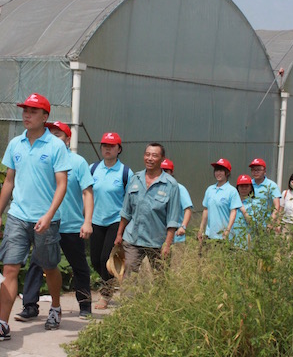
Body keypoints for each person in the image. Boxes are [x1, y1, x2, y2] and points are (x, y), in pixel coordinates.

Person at [0, 93, 71, 341]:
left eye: (33, 111)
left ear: (45, 117)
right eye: (24, 111)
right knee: (10, 268)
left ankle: (55, 306)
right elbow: (9, 180)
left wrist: (49, 215)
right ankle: (2, 324)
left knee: (49, 267)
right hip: (18, 216)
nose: (26, 115)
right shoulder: (15, 144)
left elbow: (61, 184)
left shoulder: (55, 146)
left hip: (46, 219)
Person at [16, 121, 94, 321]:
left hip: (70, 225)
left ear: (68, 139)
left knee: (78, 265)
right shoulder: (43, 158)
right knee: (37, 263)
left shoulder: (78, 163)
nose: (53, 138)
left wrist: (87, 221)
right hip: (44, 223)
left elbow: (87, 192)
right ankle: (30, 306)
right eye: (51, 134)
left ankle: (84, 304)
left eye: (58, 135)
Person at [114, 143, 181, 274]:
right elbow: (126, 211)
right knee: (129, 274)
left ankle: (158, 295)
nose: (150, 158)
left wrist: (167, 244)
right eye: (147, 154)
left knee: (161, 279)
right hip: (133, 239)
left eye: (154, 155)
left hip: (157, 242)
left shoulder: (170, 185)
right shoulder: (135, 179)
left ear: (162, 159)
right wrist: (119, 234)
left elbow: (172, 219)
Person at [89, 132, 132, 309]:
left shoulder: (126, 173)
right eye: (105, 145)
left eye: (112, 146)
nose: (107, 148)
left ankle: (105, 295)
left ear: (119, 149)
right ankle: (115, 280)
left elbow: (130, 202)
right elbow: (86, 194)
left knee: (105, 259)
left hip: (115, 220)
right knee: (94, 260)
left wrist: (124, 229)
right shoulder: (92, 168)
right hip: (95, 220)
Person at [197, 158, 242, 242]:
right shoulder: (210, 189)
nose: (218, 173)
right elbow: (206, 210)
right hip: (209, 235)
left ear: (227, 172)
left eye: (221, 170)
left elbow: (233, 212)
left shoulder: (232, 191)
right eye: (216, 170)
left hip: (224, 236)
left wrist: (228, 230)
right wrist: (201, 229)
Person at [160, 158, 193, 244]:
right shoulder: (157, 188)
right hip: (159, 236)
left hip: (176, 235)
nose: (163, 173)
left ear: (171, 172)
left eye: (166, 171)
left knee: (176, 257)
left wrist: (183, 227)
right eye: (161, 170)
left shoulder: (179, 188)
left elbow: (188, 209)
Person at [248, 158, 282, 222]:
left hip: (265, 223)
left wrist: (271, 222)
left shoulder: (271, 185)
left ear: (265, 171)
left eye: (258, 170)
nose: (255, 172)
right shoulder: (248, 184)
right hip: (249, 223)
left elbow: (276, 206)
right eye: (253, 170)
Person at [232, 174, 259, 246]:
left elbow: (253, 224)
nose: (244, 188)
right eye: (241, 186)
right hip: (231, 239)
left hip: (246, 242)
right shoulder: (232, 201)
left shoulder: (255, 203)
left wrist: (244, 211)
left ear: (251, 188)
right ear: (237, 187)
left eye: (246, 186)